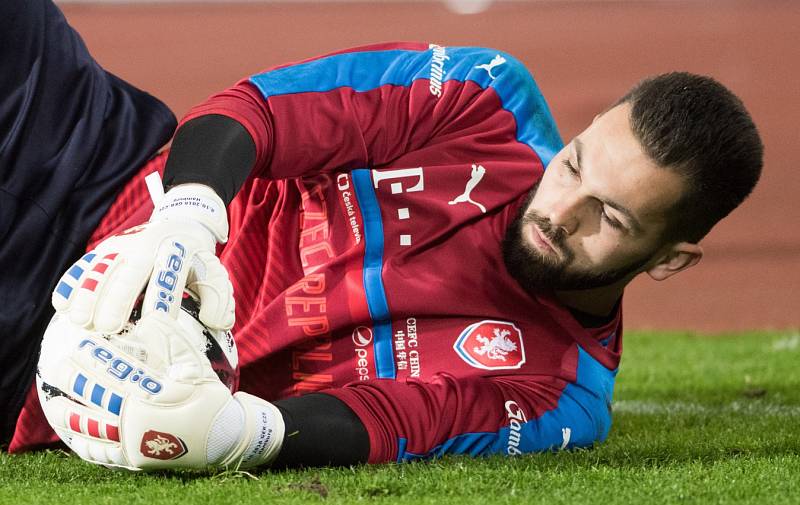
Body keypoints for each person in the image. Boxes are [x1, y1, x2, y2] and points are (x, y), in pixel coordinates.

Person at [4, 0, 763, 470]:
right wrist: (188, 216)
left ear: (670, 259)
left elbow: (388, 424)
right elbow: (260, 111)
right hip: (104, 168)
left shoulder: (559, 393)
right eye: (572, 167)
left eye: (614, 218)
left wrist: (241, 431)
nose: (561, 211)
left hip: (59, 363)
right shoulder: (485, 98)